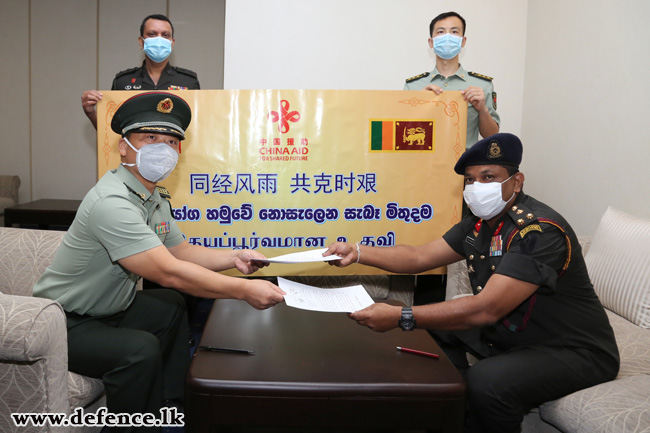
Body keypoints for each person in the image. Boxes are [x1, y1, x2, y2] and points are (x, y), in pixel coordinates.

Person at [324, 133, 619, 433]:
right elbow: (418, 256)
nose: (477, 187)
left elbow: (485, 310)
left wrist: (403, 317)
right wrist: (358, 252)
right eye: (471, 180)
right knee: (434, 335)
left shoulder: (538, 232)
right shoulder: (480, 223)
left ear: (516, 182)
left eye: (489, 177)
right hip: (512, 336)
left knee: (488, 382)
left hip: (572, 351)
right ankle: (451, 411)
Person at [34, 92, 284, 431]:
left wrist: (233, 257)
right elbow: (168, 271)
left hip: (110, 310)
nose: (162, 149)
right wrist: (242, 290)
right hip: (63, 321)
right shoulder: (113, 202)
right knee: (139, 349)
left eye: (170, 141)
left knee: (169, 306)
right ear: (124, 146)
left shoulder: (150, 195)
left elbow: (180, 251)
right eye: (150, 138)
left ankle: (173, 404)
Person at [81, 14, 200, 129]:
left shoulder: (188, 82)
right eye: (152, 34)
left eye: (165, 35)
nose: (159, 39)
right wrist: (91, 113)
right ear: (141, 42)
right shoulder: (123, 81)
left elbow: (197, 129)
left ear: (172, 42)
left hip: (176, 149)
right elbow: (111, 133)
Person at [404, 11, 499, 148]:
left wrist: (482, 109)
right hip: (424, 164)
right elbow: (403, 133)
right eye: (441, 31)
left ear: (463, 41)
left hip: (465, 164)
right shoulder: (413, 86)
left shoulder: (483, 85)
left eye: (454, 31)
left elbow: (492, 136)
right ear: (431, 42)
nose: (447, 37)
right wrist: (419, 103)